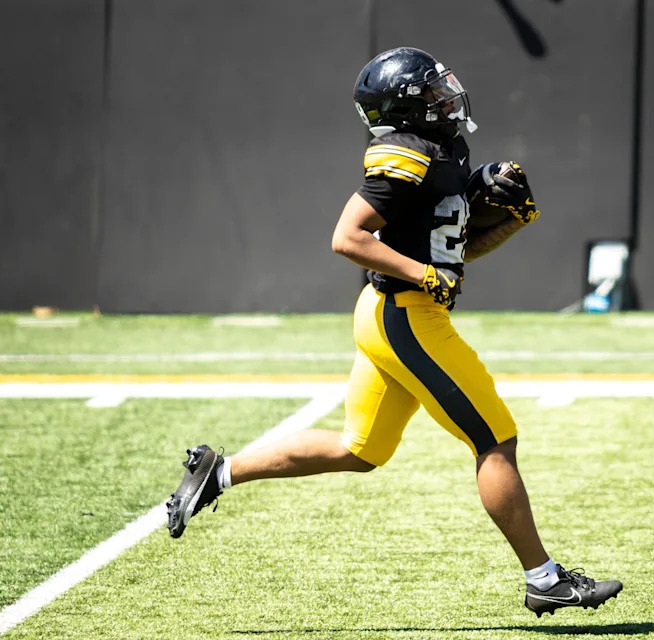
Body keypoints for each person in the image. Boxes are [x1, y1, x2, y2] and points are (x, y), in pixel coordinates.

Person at [165, 46, 622, 617]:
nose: (446, 97)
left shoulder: (446, 148)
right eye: (431, 92)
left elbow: (453, 255)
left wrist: (507, 215)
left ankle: (218, 473)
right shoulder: (402, 156)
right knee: (494, 440)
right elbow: (349, 238)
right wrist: (422, 273)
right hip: (406, 317)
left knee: (360, 450)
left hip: (393, 314)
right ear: (407, 109)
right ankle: (545, 579)